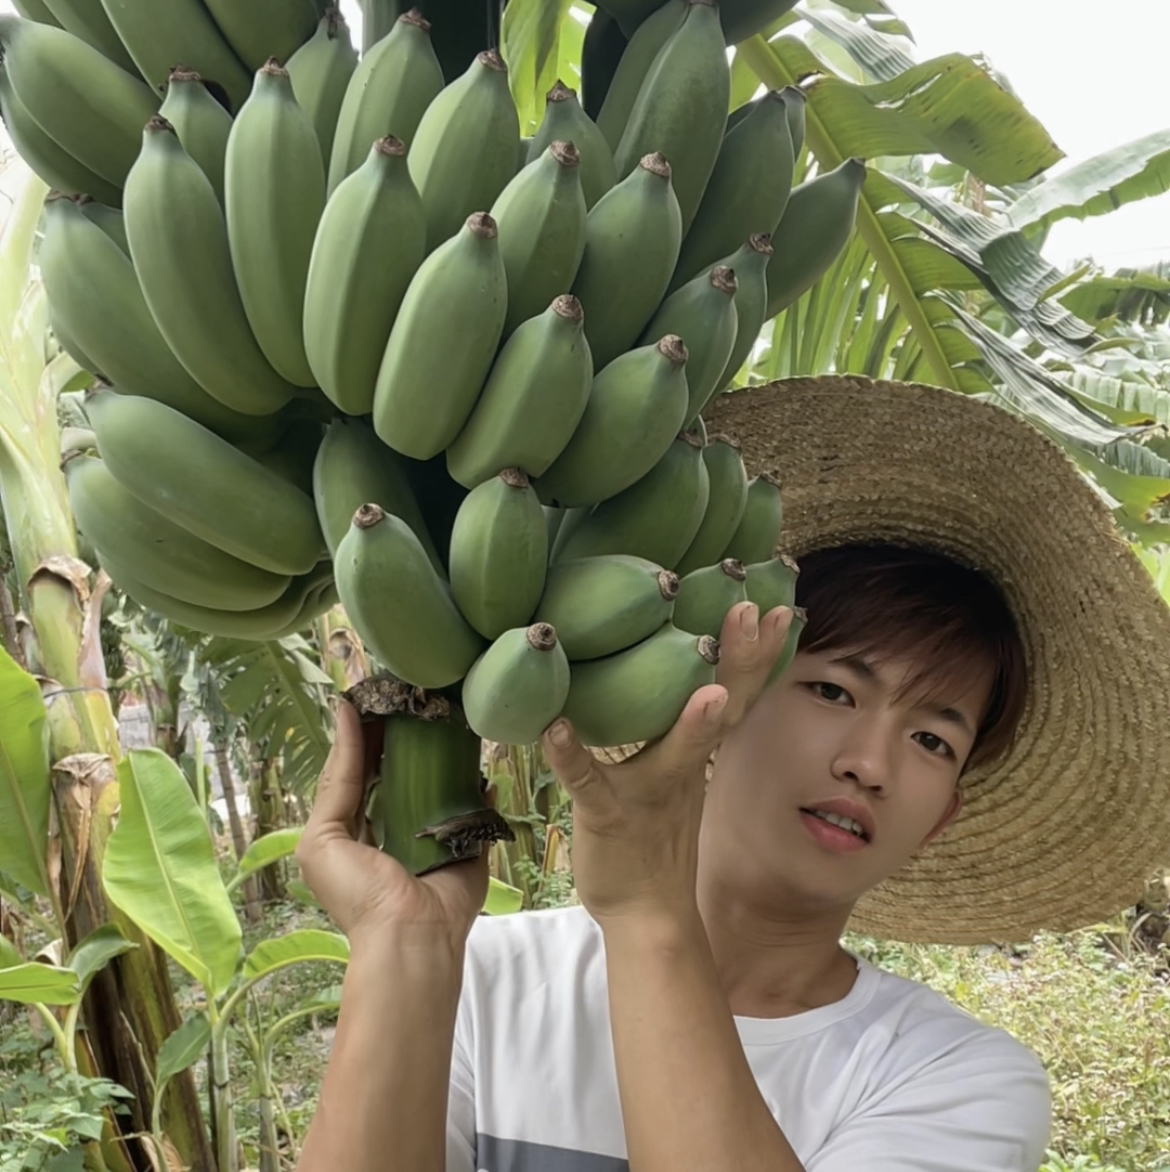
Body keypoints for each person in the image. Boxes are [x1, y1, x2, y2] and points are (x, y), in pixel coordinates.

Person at [293, 376, 1170, 1172]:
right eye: (833, 689)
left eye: (933, 741)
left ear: (941, 816)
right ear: (716, 700)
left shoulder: (954, 1079)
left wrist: (649, 912)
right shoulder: (485, 981)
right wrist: (404, 942)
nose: (869, 764)